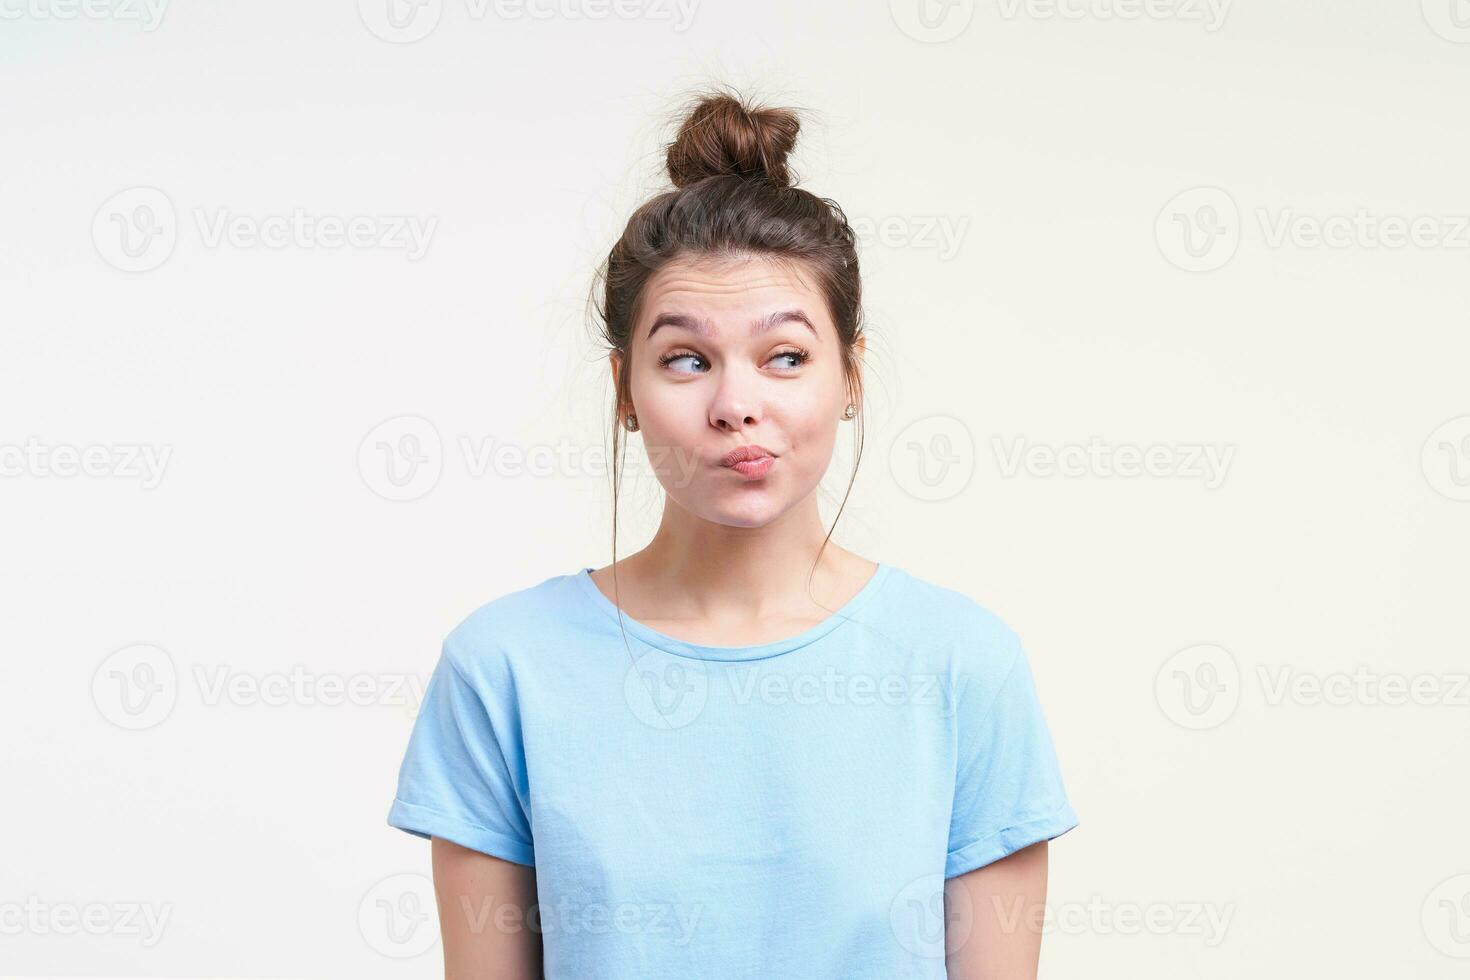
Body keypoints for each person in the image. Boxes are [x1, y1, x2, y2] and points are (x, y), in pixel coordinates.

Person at [386, 84, 1078, 979]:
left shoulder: (962, 666)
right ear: (625, 391)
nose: (736, 406)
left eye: (785, 356)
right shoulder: (503, 669)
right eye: (686, 359)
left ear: (851, 376)